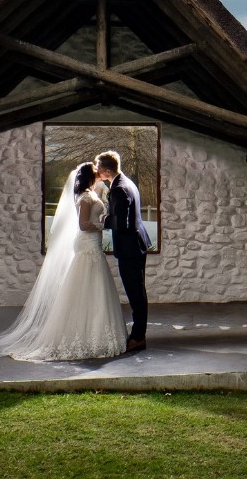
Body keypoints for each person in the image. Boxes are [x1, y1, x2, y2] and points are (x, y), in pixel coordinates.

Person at [0, 162, 126, 362]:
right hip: (88, 244)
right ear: (90, 178)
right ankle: (83, 334)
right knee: (86, 283)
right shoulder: (85, 198)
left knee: (93, 287)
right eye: (95, 173)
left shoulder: (90, 194)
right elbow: (83, 225)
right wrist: (103, 225)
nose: (99, 174)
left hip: (92, 245)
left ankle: (92, 330)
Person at [95, 150, 151, 352]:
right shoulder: (125, 182)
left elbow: (124, 223)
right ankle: (138, 334)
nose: (97, 170)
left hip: (130, 248)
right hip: (135, 245)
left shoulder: (119, 188)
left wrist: (104, 220)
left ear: (107, 170)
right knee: (137, 290)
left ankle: (138, 337)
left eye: (98, 166)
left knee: (135, 292)